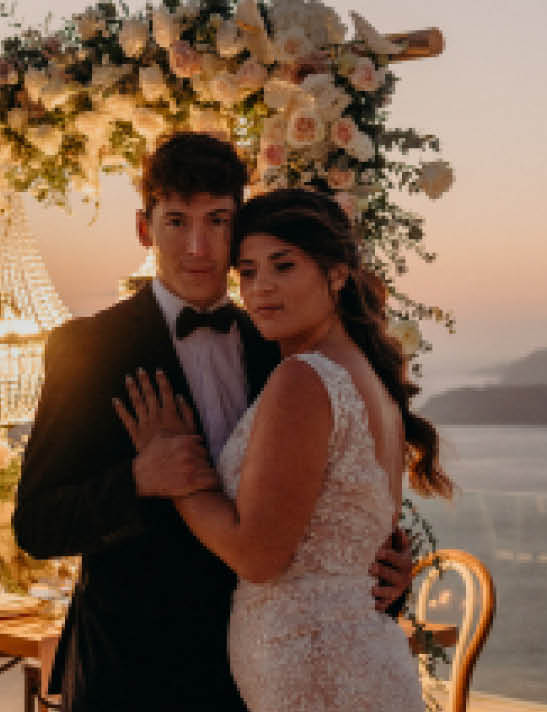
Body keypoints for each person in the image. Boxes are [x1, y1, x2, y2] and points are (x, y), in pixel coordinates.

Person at [13, 135, 412, 712]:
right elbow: (37, 524)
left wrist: (382, 575)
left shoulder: (278, 339)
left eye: (217, 220)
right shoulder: (88, 348)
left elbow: (332, 497)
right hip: (134, 677)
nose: (198, 247)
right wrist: (138, 480)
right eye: (176, 221)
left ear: (236, 225)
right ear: (144, 229)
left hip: (261, 676)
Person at [115, 186, 453, 712]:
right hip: (350, 658)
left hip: (313, 667)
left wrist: (178, 473)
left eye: (283, 266)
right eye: (247, 272)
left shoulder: (304, 378)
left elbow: (258, 556)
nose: (261, 288)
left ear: (336, 274)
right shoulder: (364, 372)